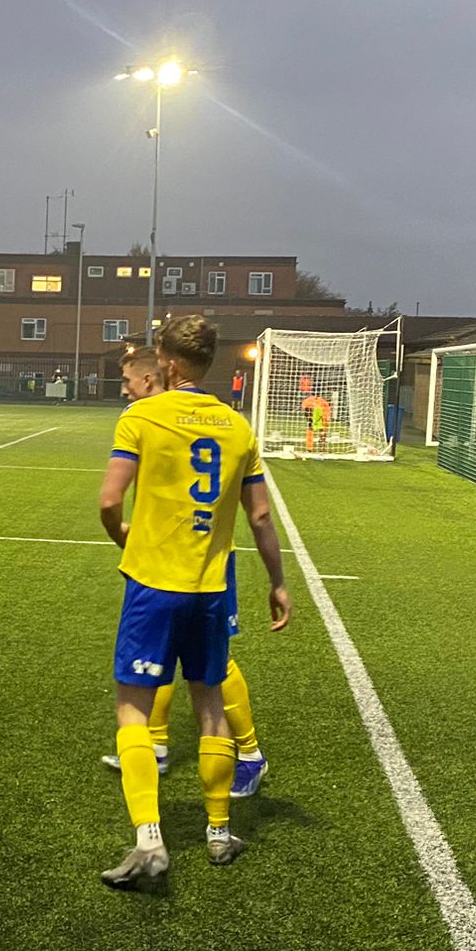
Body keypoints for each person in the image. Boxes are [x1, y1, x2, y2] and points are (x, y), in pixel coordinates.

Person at [98, 315, 291, 888]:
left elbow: (110, 500)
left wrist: (126, 537)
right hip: (211, 589)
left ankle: (149, 838)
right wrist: (278, 583)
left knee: (132, 709)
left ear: (169, 362)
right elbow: (259, 516)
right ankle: (217, 830)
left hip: (153, 585)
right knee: (209, 709)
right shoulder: (237, 428)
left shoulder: (142, 416)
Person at [99, 345, 269, 797]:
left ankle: (250, 753)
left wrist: (126, 535)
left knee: (214, 664)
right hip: (176, 556)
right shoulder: (178, 418)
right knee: (168, 655)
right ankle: (154, 743)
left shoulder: (155, 417)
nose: (126, 393)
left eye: (129, 384)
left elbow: (113, 498)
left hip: (207, 558)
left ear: (155, 377)